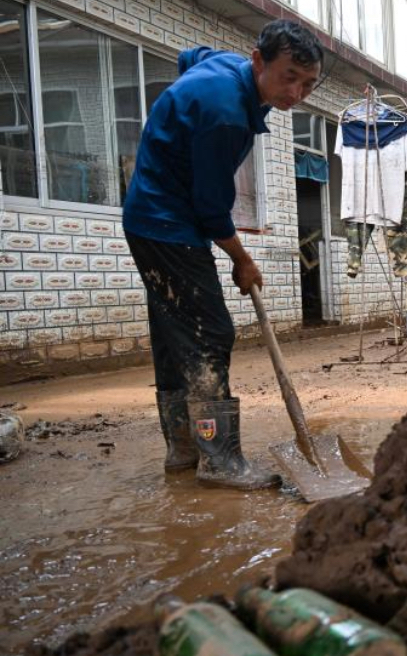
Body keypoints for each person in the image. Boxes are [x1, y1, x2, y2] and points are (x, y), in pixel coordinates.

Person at [122, 21, 323, 489]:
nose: (296, 92)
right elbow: (212, 210)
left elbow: (190, 56)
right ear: (258, 61)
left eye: (308, 84)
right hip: (167, 223)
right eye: (288, 76)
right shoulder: (227, 115)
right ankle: (220, 459)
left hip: (151, 218)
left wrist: (178, 115)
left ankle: (182, 448)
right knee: (210, 331)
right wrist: (243, 259)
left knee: (176, 334)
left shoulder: (224, 68)